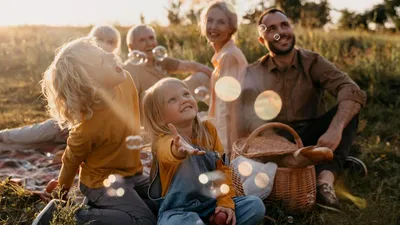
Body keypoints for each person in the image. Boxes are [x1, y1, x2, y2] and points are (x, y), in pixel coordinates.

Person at [237, 8, 367, 212]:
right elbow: (250, 117)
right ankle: (331, 162)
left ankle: (324, 183)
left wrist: (335, 129)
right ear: (262, 40)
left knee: (348, 109)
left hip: (314, 134)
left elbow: (351, 89)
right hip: (277, 140)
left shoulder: (312, 62)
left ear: (291, 28)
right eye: (272, 28)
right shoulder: (253, 72)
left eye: (284, 25)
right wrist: (280, 146)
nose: (281, 31)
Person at [33, 37, 156, 224]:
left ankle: (101, 209)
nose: (111, 54)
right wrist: (60, 193)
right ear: (91, 82)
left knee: (168, 202)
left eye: (103, 51)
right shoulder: (87, 127)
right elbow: (70, 161)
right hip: (100, 183)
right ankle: (65, 214)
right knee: (144, 221)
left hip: (133, 173)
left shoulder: (126, 80)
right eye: (101, 60)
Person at [142, 77, 265, 225]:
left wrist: (225, 204)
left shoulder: (208, 131)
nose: (183, 100)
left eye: (186, 94)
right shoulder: (163, 141)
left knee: (255, 205)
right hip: (178, 212)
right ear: (159, 117)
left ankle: (210, 220)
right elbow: (168, 152)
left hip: (211, 205)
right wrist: (178, 150)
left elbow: (222, 170)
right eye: (172, 100)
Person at [0, 25, 122, 151]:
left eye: (111, 42)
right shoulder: (80, 68)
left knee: (41, 144)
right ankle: (5, 137)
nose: (105, 44)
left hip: (93, 130)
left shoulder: (118, 70)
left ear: (116, 46)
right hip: (73, 122)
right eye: (99, 40)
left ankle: (7, 143)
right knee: (45, 130)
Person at [199, 1, 248, 160]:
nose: (213, 26)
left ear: (231, 28)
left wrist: (229, 151)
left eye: (221, 22)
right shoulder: (224, 55)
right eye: (210, 20)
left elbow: (228, 108)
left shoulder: (229, 57)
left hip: (228, 141)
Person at [123, 25, 213, 106]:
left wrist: (218, 76)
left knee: (201, 77)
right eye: (142, 40)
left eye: (151, 38)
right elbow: (131, 104)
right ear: (131, 47)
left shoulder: (159, 60)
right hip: (154, 112)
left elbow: (191, 66)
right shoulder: (130, 69)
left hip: (172, 101)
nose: (149, 43)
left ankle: (220, 113)